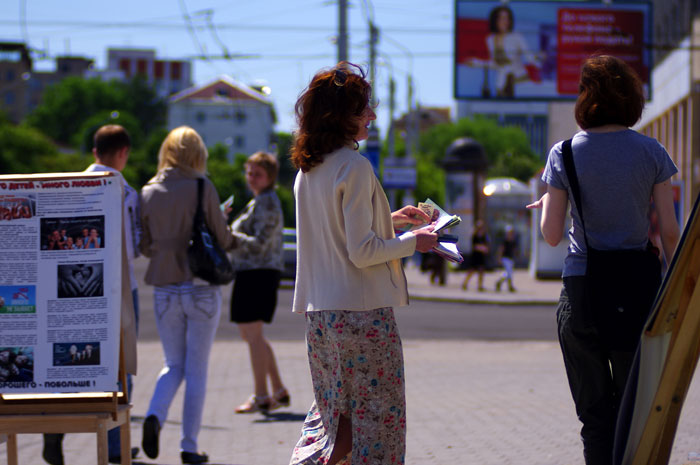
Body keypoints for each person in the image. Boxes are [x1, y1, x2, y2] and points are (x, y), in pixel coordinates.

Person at [527, 55, 680, 465]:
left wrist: (550, 204)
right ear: (632, 97)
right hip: (637, 293)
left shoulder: (564, 153)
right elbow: (669, 232)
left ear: (584, 98)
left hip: (583, 293)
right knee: (635, 412)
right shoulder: (651, 151)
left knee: (595, 418)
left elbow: (551, 234)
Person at [288, 63, 438, 465]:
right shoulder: (354, 166)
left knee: (337, 422)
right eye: (363, 108)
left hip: (320, 317)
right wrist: (416, 241)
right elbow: (362, 252)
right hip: (362, 316)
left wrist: (390, 220)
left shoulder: (309, 169)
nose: (371, 115)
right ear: (340, 115)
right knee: (377, 426)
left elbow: (334, 233)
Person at [139, 126, 238, 465]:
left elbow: (145, 246)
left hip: (165, 288)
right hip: (200, 287)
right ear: (197, 154)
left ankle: (154, 415)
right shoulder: (201, 186)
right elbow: (222, 239)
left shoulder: (148, 191)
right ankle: (189, 446)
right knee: (196, 370)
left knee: (173, 364)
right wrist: (228, 230)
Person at [43, 124, 140, 465]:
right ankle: (115, 444)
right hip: (117, 288)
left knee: (70, 362)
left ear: (95, 151)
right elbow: (134, 247)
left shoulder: (69, 186)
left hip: (70, 287)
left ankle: (54, 429)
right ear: (124, 153)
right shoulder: (125, 191)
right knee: (119, 366)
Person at [228, 151, 290, 414]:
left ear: (270, 177)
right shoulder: (260, 200)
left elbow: (260, 243)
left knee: (252, 335)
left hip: (258, 272)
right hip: (255, 272)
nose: (252, 178)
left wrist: (228, 235)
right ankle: (278, 390)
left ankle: (262, 395)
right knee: (253, 335)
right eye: (249, 172)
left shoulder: (266, 202)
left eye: (258, 174)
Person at [466, 5, 539, 98]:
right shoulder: (490, 39)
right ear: (495, 20)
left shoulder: (516, 36)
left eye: (507, 19)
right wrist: (475, 63)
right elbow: (495, 64)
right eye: (502, 18)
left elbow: (530, 58)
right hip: (501, 87)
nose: (505, 22)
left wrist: (539, 58)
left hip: (520, 83)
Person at [461, 219, 489, 291]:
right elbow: (475, 246)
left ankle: (480, 285)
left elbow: (486, 245)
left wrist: (485, 249)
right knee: (471, 270)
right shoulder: (475, 236)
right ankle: (465, 283)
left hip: (481, 256)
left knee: (481, 271)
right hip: (475, 255)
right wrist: (482, 248)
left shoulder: (484, 236)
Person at [495, 225, 517, 292]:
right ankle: (510, 286)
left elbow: (514, 250)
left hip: (510, 258)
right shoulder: (505, 241)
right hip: (505, 258)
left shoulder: (513, 241)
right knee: (509, 272)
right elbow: (501, 250)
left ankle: (499, 282)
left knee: (508, 273)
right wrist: (499, 258)